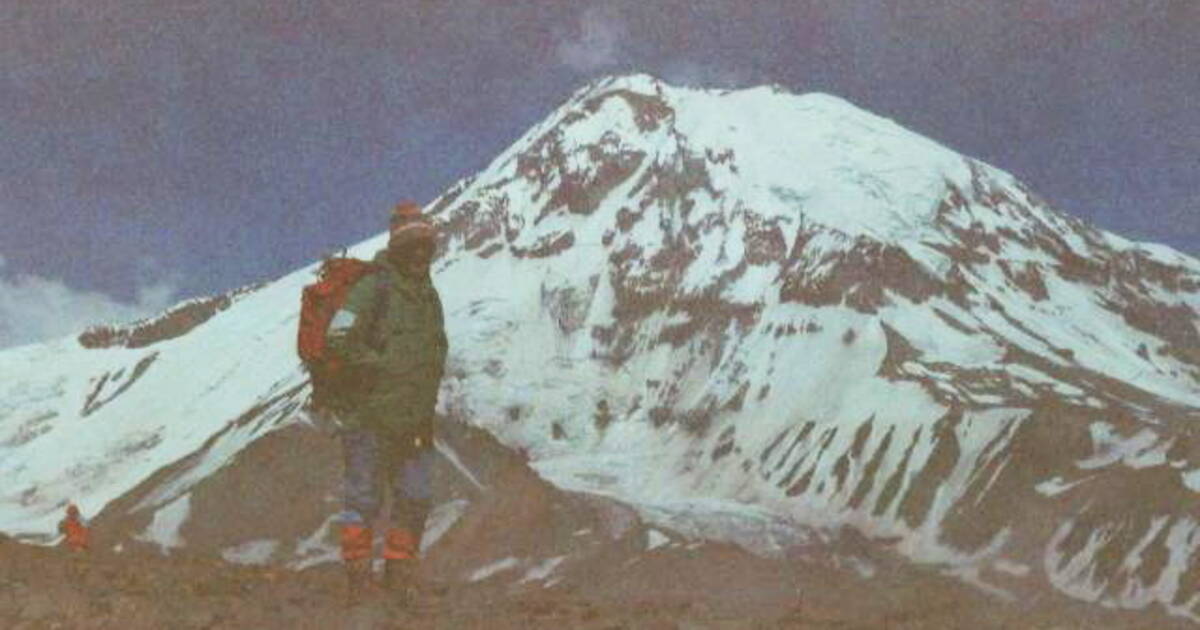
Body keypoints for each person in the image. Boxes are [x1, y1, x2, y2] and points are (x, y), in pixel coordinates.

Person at [323, 201, 448, 605]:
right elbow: (338, 337)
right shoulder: (373, 286)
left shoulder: (429, 296)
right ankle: (359, 582)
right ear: (396, 246)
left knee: (415, 497)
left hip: (414, 423)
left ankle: (398, 578)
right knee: (363, 499)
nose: (419, 253)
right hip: (370, 417)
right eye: (412, 245)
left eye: (425, 246)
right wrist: (381, 368)